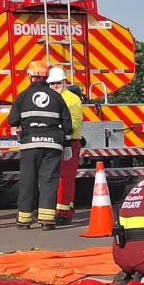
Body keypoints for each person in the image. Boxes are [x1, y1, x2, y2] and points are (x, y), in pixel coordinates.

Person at [9, 65, 73, 231]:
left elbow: (13, 120)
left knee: (28, 180)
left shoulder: (23, 96)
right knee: (49, 181)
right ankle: (47, 221)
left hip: (30, 144)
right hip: (53, 144)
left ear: (30, 76)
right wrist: (67, 144)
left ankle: (24, 220)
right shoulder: (57, 97)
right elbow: (67, 122)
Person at [51, 68, 84, 226]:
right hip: (53, 142)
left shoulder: (72, 99)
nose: (55, 86)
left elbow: (75, 122)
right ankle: (53, 211)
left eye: (58, 83)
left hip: (69, 142)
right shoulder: (51, 98)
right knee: (51, 179)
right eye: (52, 83)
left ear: (65, 82)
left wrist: (65, 136)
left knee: (66, 179)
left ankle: (64, 213)